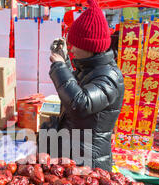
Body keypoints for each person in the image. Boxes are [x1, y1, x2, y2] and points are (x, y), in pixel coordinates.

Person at [45, 0, 124, 172]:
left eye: (75, 45)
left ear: (90, 46)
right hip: (74, 154)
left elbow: (80, 103)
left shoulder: (109, 76)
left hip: (90, 162)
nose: (72, 49)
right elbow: (73, 88)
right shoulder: (89, 69)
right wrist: (64, 61)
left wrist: (59, 67)